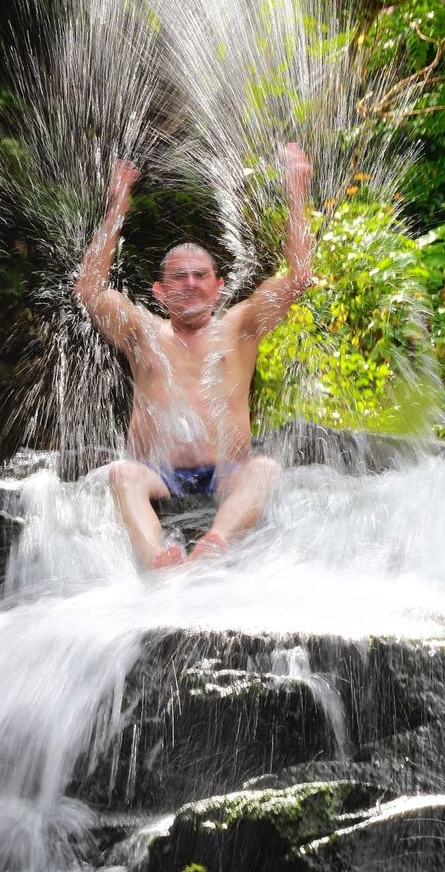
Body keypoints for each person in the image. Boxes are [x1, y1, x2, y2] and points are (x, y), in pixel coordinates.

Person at [73, 145, 313, 569]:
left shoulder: (239, 328)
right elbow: (89, 291)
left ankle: (215, 540)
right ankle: (157, 558)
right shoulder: (141, 331)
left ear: (218, 286)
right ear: (159, 291)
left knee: (267, 470)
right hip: (157, 474)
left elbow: (297, 279)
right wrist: (116, 209)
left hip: (226, 474)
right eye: (178, 277)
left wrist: (296, 192)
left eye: (200, 275)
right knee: (121, 475)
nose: (190, 284)